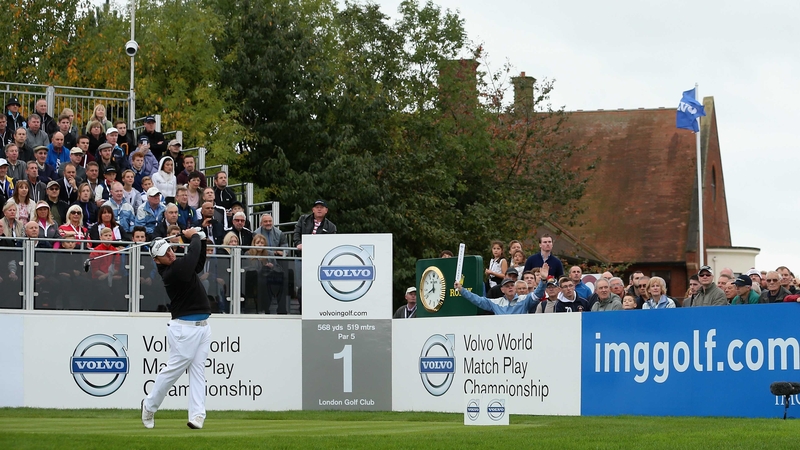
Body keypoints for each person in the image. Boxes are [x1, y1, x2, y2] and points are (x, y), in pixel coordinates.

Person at [141, 227, 211, 430]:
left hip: (203, 327)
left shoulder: (180, 267)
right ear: (157, 260)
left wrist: (203, 238)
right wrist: (195, 236)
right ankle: (149, 405)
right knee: (172, 372)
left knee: (198, 372)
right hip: (184, 329)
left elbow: (197, 263)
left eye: (171, 249)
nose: (170, 253)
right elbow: (192, 256)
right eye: (165, 253)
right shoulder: (172, 272)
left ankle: (197, 416)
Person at [456, 277, 538, 315]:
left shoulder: (524, 299)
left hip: (521, 339)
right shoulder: (496, 302)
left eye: (512, 285)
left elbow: (538, 294)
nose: (510, 287)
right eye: (507, 286)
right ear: (502, 290)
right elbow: (478, 301)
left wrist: (543, 281)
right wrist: (462, 290)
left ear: (515, 288)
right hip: (502, 339)